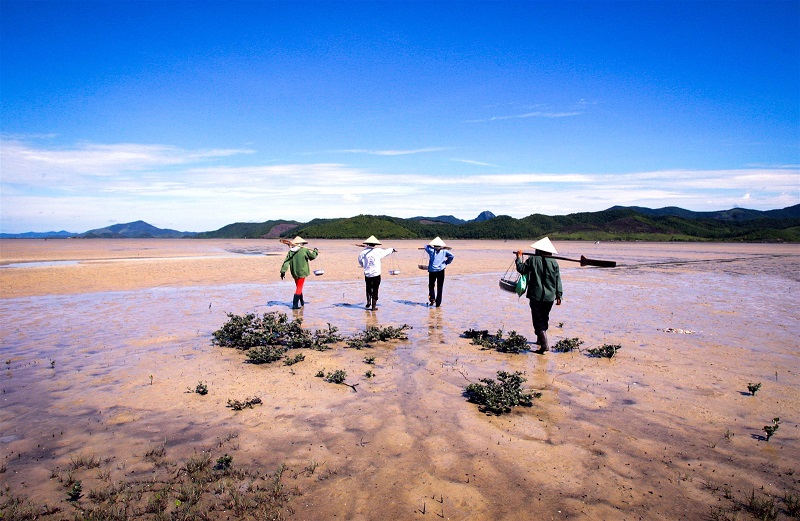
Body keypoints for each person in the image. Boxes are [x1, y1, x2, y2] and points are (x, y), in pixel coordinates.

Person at [516, 237, 562, 354]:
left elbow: (521, 269)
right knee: (544, 318)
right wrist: (559, 295)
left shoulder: (532, 260)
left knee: (538, 320)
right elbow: (558, 280)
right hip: (550, 297)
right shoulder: (554, 262)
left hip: (536, 296)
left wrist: (518, 258)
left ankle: (544, 345)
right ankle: (540, 340)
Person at [357, 235, 396, 311]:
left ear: (367, 244)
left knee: (368, 288)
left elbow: (360, 261)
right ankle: (373, 307)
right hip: (376, 274)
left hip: (367, 274)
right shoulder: (378, 251)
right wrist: (392, 249)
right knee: (375, 289)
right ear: (375, 244)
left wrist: (364, 265)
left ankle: (368, 302)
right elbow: (386, 252)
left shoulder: (363, 252)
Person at [279, 236, 318, 309]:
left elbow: (286, 261)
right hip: (302, 272)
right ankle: (295, 305)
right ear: (301, 243)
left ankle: (302, 302)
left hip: (294, 272)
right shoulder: (304, 250)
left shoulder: (291, 251)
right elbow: (312, 257)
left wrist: (283, 271)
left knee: (298, 287)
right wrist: (315, 251)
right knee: (299, 288)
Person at [424, 237, 454, 307]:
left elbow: (425, 246)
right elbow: (452, 256)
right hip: (441, 270)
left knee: (431, 285)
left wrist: (430, 245)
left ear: (434, 245)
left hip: (432, 271)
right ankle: (438, 304)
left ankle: (432, 298)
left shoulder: (431, 250)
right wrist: (446, 262)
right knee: (440, 287)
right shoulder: (444, 251)